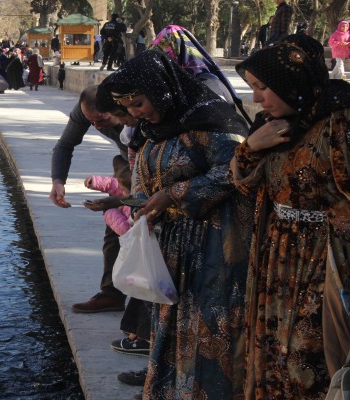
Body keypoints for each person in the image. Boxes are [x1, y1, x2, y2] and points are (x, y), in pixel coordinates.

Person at [230, 34, 350, 399]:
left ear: (290, 83)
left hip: (331, 261)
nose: (256, 98)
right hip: (278, 258)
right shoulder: (276, 126)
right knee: (274, 355)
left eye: (263, 88)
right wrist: (250, 148)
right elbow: (245, 187)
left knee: (317, 363)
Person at [101, 48, 251, 399]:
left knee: (206, 329)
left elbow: (238, 170)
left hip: (211, 248)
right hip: (172, 248)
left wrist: (177, 193)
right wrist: (125, 202)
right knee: (173, 326)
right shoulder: (157, 130)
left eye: (138, 103)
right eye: (128, 108)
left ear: (161, 89)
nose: (135, 114)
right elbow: (152, 185)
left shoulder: (212, 122)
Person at [50, 86, 128, 313]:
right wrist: (58, 181)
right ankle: (111, 294)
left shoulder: (137, 112)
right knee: (115, 227)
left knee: (143, 231)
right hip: (127, 163)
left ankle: (147, 304)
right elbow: (65, 145)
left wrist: (117, 200)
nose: (97, 127)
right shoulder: (88, 108)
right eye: (91, 121)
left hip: (155, 165)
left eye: (102, 120)